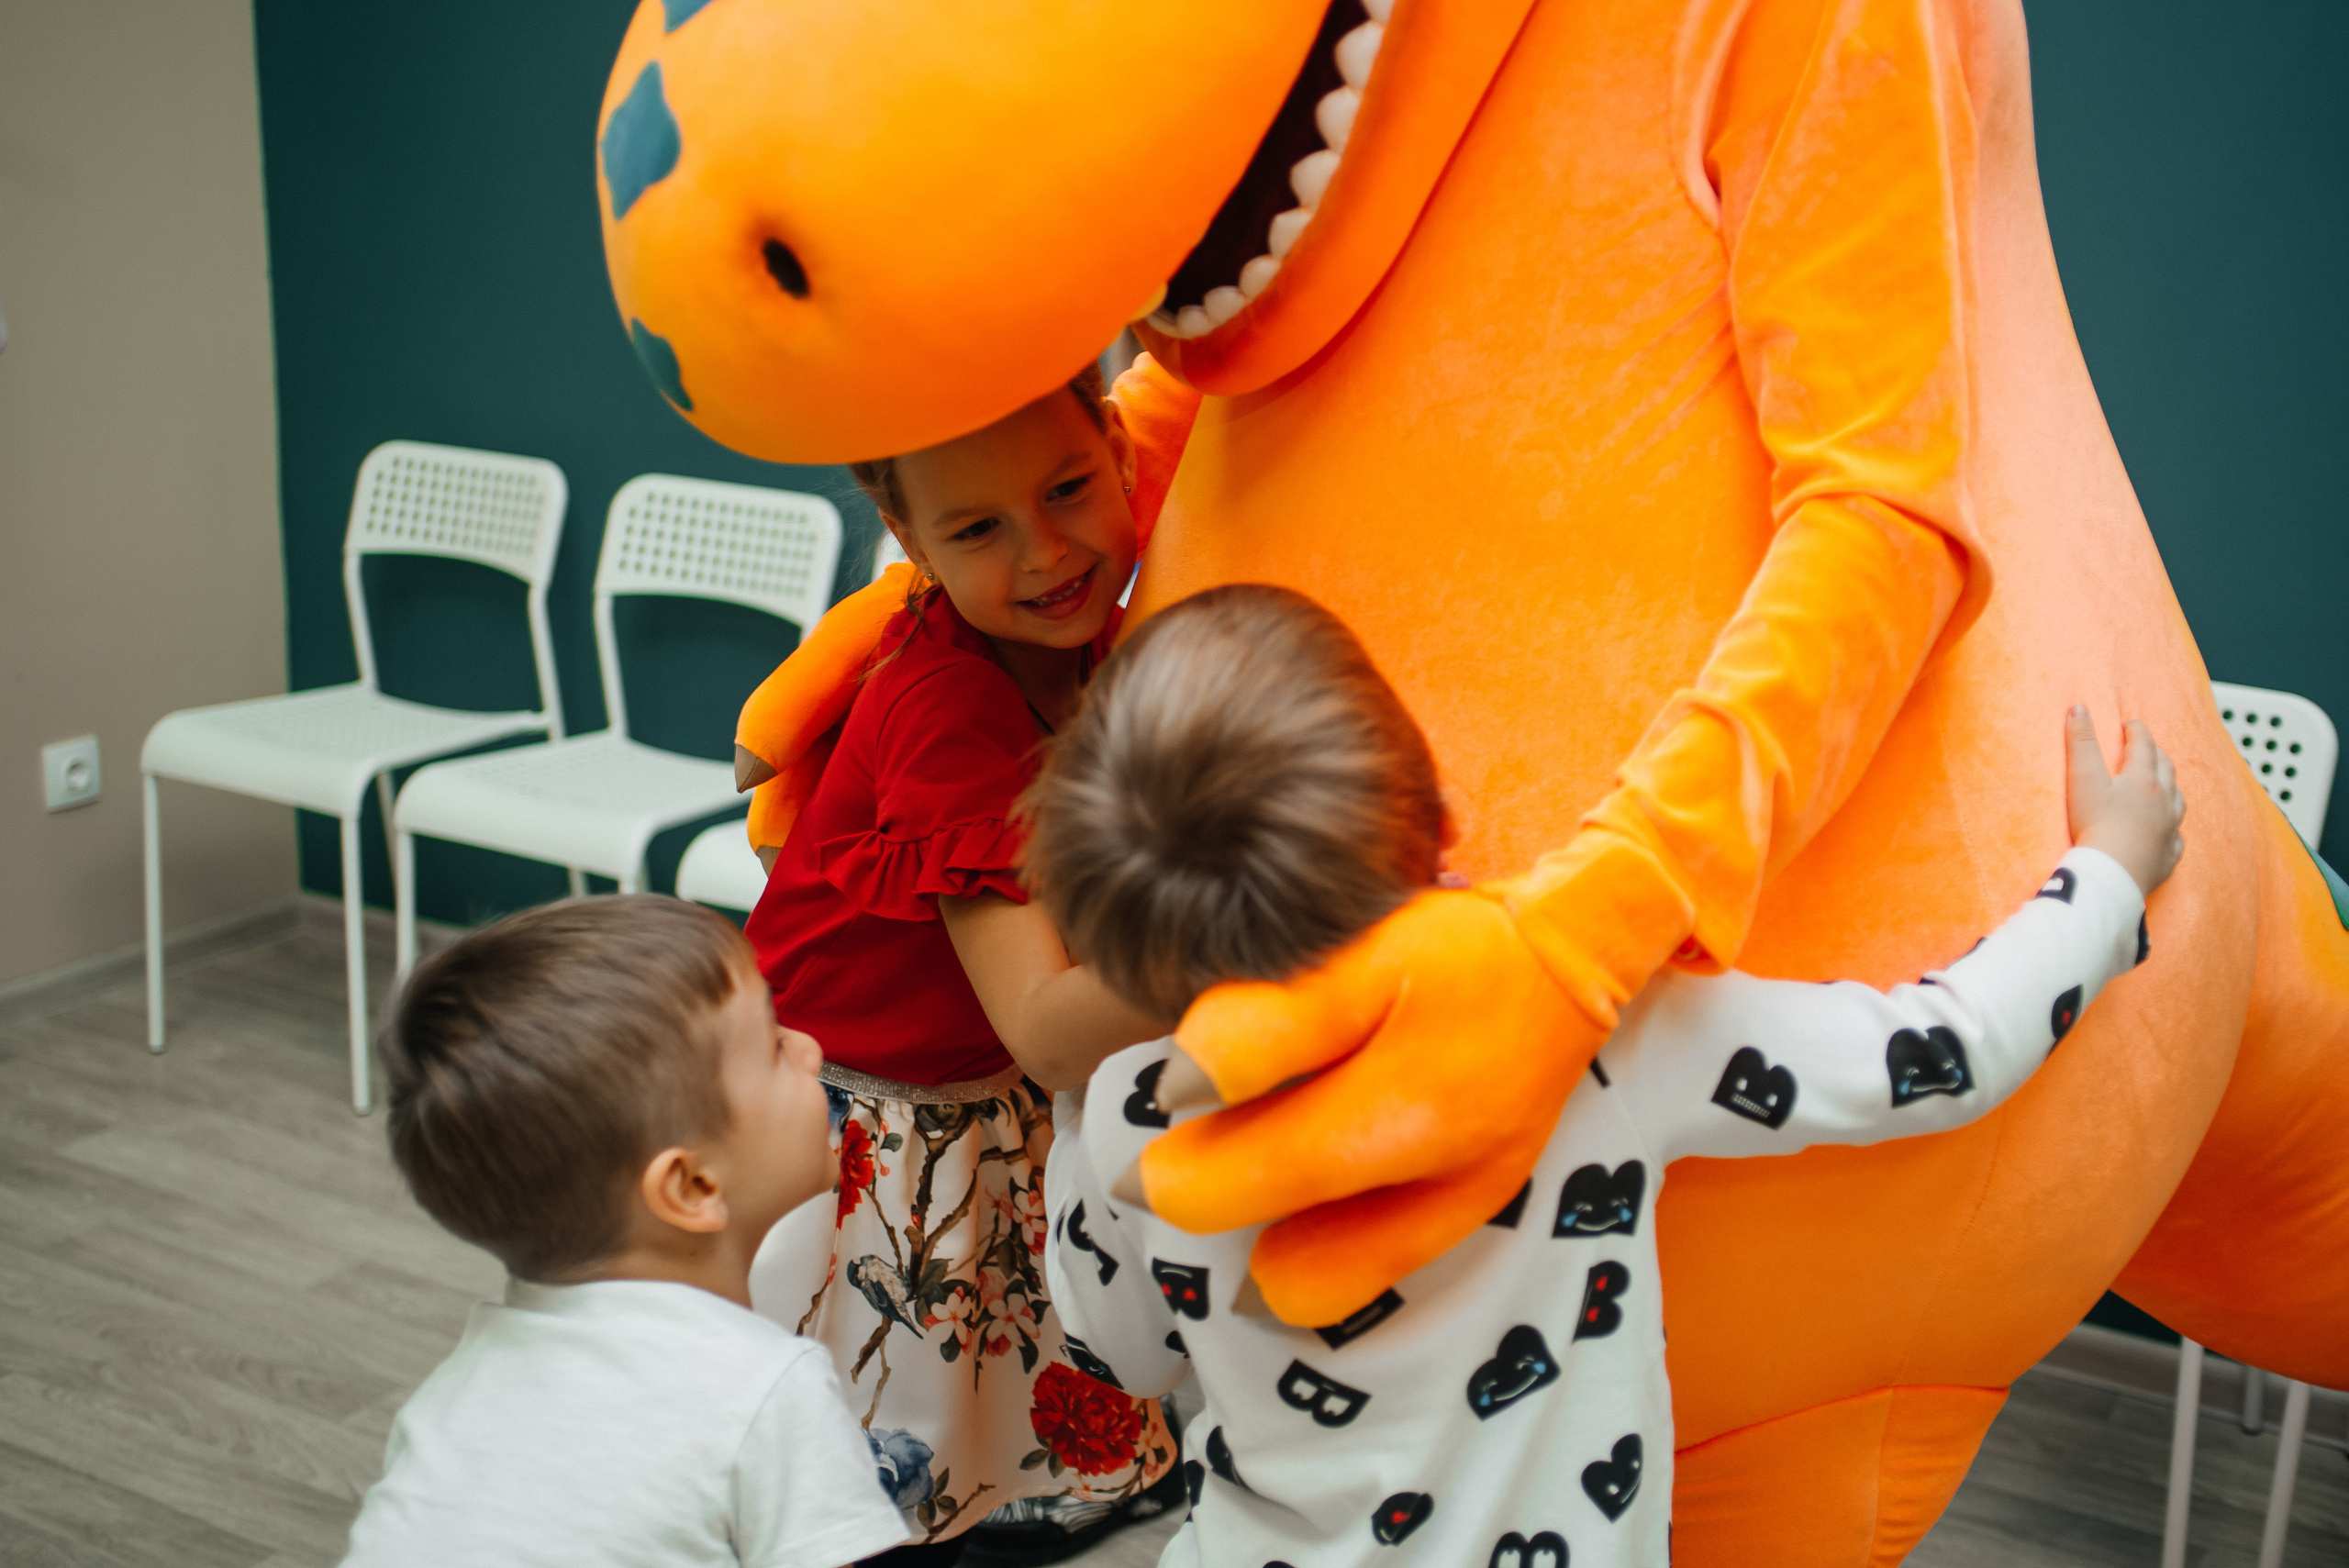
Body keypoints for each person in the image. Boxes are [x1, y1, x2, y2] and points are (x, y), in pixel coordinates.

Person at [1027, 585, 2186, 1568]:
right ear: (1434, 812)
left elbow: (1116, 1352)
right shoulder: (1592, 1029)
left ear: (1110, 939)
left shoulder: (1133, 1120)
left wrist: (1078, 1122)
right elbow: (1942, 1053)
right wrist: (2109, 873)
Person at [741, 364, 1179, 1566]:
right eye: (979, 527)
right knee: (916, 1357)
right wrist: (1246, 932)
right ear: (910, 538)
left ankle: (1059, 1480)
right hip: (880, 1090)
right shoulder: (944, 700)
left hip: (974, 1078)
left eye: (1068, 487)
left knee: (1018, 1292)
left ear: (1118, 447)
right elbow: (1044, 1022)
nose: (1045, 553)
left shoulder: (1092, 641)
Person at [341, 895, 908, 1568]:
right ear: (691, 1185)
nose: (811, 1049)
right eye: (775, 1043)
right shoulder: (767, 1393)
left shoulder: (448, 1401)